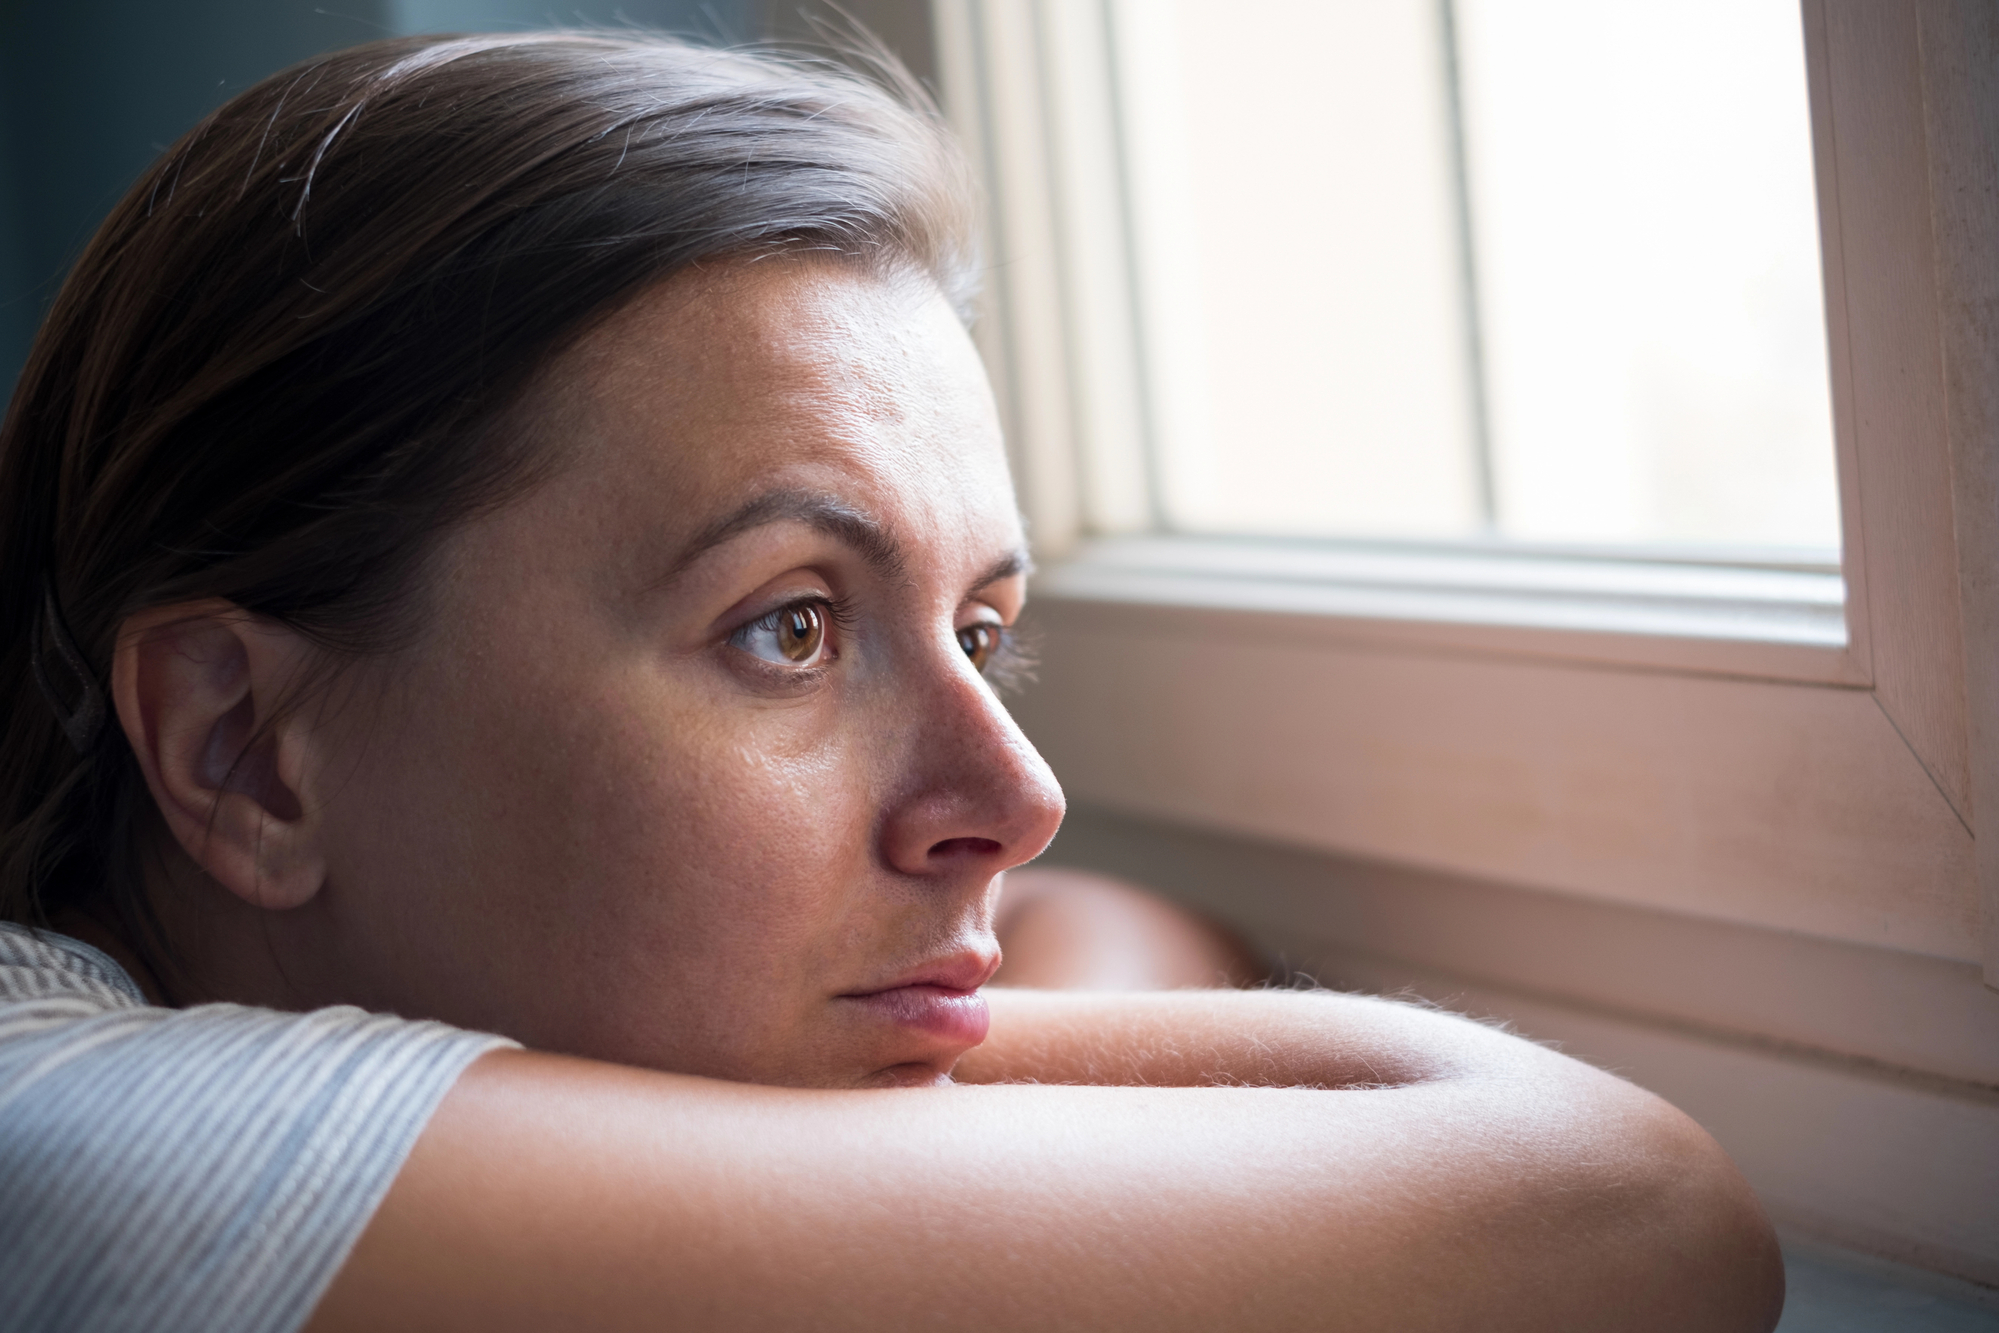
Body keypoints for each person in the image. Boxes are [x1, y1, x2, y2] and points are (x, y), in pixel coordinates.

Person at [0, 30, 1783, 1332]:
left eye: (984, 630)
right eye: (790, 624)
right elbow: (1627, 1211)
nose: (1013, 797)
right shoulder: (71, 1142)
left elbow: (1117, 922)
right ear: (244, 752)